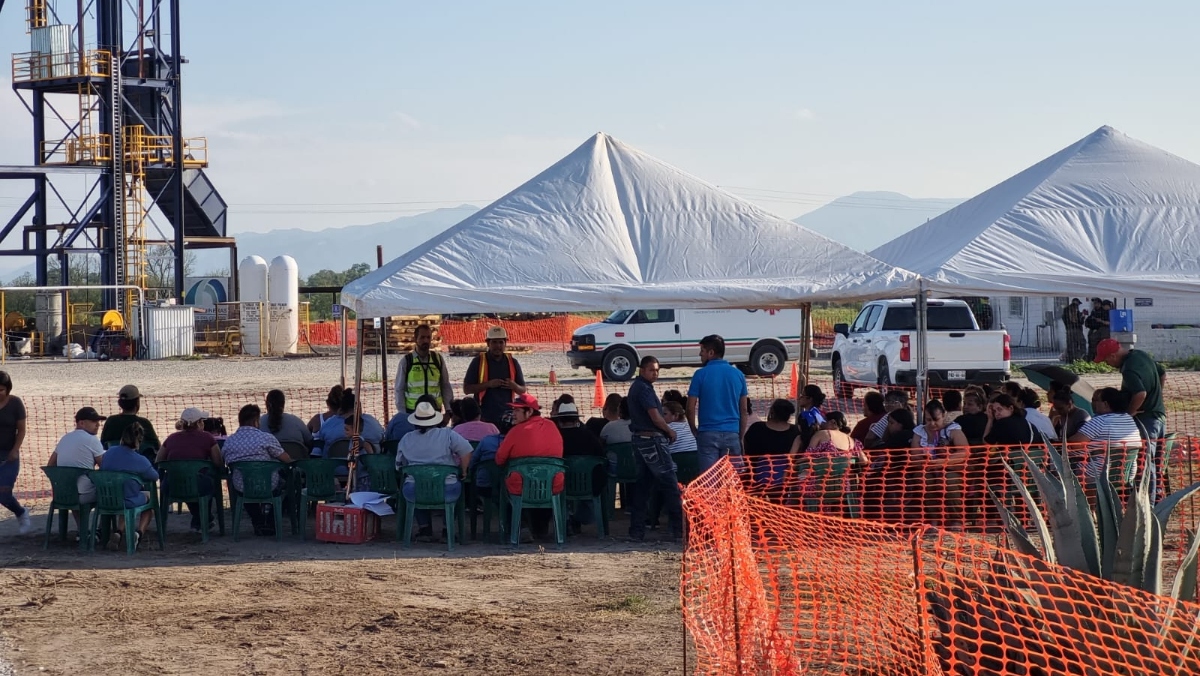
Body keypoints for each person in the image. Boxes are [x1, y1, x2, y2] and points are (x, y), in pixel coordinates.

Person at [395, 400, 473, 541]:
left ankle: (425, 529)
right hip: (446, 489)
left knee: (411, 485)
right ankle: (446, 529)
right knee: (457, 489)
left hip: (415, 490)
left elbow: (400, 465)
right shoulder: (448, 434)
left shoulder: (406, 439)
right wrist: (464, 471)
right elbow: (466, 452)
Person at [623, 356, 682, 541]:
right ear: (642, 370)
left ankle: (637, 530)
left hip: (641, 441)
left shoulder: (639, 387)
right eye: (651, 370)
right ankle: (680, 529)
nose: (655, 373)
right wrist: (669, 430)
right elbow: (655, 417)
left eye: (657, 370)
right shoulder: (644, 390)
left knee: (642, 487)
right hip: (652, 441)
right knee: (670, 485)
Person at [496, 394, 563, 540]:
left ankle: (521, 526)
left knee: (504, 485)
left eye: (518, 410)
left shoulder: (515, 431)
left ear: (529, 412)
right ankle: (541, 528)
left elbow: (499, 459)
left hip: (522, 487)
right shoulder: (552, 426)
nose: (513, 413)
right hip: (551, 486)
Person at [222, 404, 293, 537]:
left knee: (244, 488)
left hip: (242, 486)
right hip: (268, 485)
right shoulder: (266, 438)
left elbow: (223, 461)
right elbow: (286, 459)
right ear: (256, 421)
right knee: (284, 484)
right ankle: (271, 521)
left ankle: (258, 520)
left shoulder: (229, 441)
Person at [687, 335, 749, 471]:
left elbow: (690, 408)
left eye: (702, 351)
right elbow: (743, 409)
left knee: (709, 482)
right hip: (732, 433)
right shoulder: (738, 375)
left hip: (707, 434)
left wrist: (694, 430)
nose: (700, 354)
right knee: (731, 483)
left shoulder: (700, 374)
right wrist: (740, 436)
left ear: (711, 353)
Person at [157, 407, 223, 532]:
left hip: (171, 486)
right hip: (197, 487)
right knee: (205, 482)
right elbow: (218, 462)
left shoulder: (171, 438)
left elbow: (159, 460)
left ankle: (199, 519)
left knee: (190, 482)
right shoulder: (207, 438)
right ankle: (203, 519)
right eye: (202, 421)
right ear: (198, 423)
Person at [98, 423, 159, 549]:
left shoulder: (109, 452)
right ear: (140, 441)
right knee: (149, 499)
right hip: (128, 500)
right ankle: (139, 533)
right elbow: (154, 476)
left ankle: (119, 532)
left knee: (123, 496)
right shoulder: (141, 460)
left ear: (122, 438)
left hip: (107, 498)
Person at [1095, 338, 1167, 442]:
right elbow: (1162, 374)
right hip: (1159, 415)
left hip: (1146, 419)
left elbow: (1140, 394)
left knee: (1146, 456)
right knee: (1158, 456)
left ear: (1112, 356)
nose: (1107, 364)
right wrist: (1157, 396)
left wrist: (1129, 413)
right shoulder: (1140, 354)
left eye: (1106, 361)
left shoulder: (1128, 369)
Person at [47, 406, 107, 528]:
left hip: (63, 494)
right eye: (93, 421)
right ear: (81, 423)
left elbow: (50, 465)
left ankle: (83, 530)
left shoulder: (65, 438)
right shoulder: (92, 440)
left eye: (98, 421)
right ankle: (101, 531)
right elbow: (105, 466)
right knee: (109, 494)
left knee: (76, 487)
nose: (97, 425)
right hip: (84, 494)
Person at [551, 401, 606, 532]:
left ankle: (565, 519)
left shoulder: (555, 438)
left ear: (559, 421)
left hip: (561, 485)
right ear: (577, 419)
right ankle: (579, 519)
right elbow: (602, 457)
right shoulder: (589, 436)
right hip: (589, 485)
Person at [1069, 387, 1142, 482]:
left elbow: (1074, 443)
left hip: (1098, 475)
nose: (1093, 404)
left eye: (1096, 401)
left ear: (1105, 404)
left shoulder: (1100, 420)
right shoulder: (1128, 418)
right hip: (1126, 475)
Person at [463, 326, 527, 424]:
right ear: (488, 343)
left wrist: (513, 385)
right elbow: (466, 389)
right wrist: (488, 384)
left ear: (505, 343)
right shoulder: (478, 362)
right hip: (484, 416)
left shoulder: (513, 362)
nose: (498, 346)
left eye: (501, 342)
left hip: (507, 415)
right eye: (494, 342)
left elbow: (522, 390)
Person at [395, 324, 454, 414]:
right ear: (415, 339)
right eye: (422, 337)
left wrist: (449, 411)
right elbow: (399, 389)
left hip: (434, 411)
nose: (426, 340)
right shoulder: (407, 361)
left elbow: (445, 385)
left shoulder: (437, 360)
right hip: (412, 412)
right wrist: (402, 414)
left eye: (428, 337)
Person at [0, 370, 30, 534]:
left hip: (9, 454)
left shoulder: (15, 404)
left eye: (1, 390)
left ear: (7, 389)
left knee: (4, 493)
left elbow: (22, 430)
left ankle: (21, 513)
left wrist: (15, 450)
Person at [313, 389, 384, 456]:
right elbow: (382, 437)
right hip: (368, 467)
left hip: (334, 467)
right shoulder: (373, 423)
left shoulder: (329, 424)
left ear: (340, 409)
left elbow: (321, 439)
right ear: (359, 407)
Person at [100, 384, 161, 460]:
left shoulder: (111, 421)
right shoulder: (144, 423)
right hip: (140, 465)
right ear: (137, 403)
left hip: (116, 462)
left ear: (120, 403)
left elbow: (103, 445)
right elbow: (157, 446)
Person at [1062, 298, 1087, 363]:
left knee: (1071, 345)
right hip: (1077, 330)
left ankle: (1071, 360)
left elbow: (1064, 320)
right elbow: (1080, 322)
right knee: (1081, 343)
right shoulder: (1074, 311)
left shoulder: (1066, 311)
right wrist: (1082, 316)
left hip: (1069, 330)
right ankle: (1080, 358)